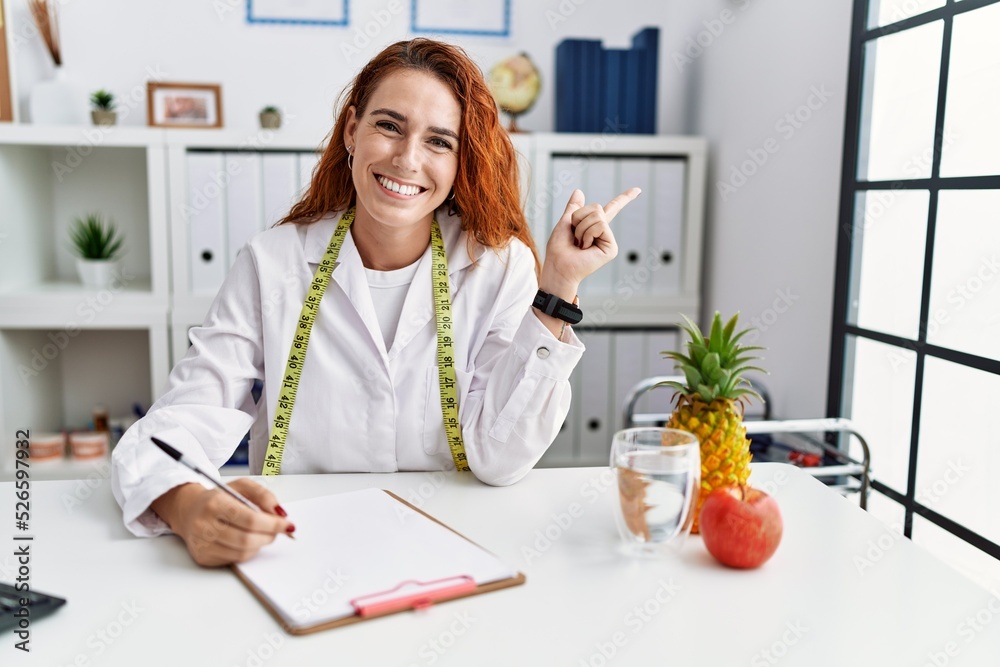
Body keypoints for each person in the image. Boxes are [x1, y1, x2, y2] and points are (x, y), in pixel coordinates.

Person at [111, 38, 640, 567]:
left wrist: (558, 290)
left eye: (439, 142)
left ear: (461, 162)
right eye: (389, 126)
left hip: (451, 547)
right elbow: (177, 424)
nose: (407, 159)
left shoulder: (500, 269)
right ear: (351, 131)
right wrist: (187, 507)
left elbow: (499, 459)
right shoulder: (271, 263)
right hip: (299, 551)